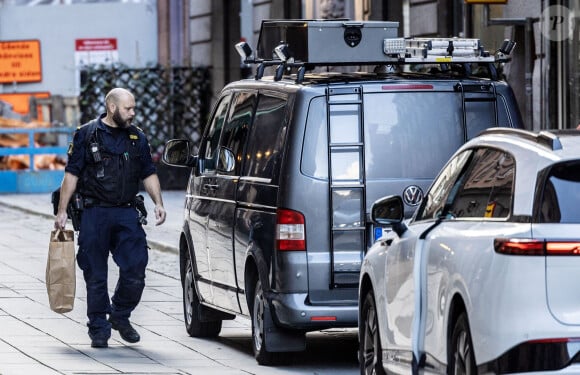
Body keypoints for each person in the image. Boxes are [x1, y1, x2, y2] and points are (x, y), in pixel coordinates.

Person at [54, 87, 166, 348]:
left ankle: (120, 314)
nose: (133, 113)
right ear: (112, 108)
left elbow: (148, 173)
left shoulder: (137, 137)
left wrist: (158, 203)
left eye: (134, 108)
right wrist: (62, 211)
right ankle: (98, 327)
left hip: (127, 212)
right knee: (95, 273)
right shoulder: (86, 134)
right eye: (128, 108)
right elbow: (71, 174)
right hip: (95, 213)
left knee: (136, 268)